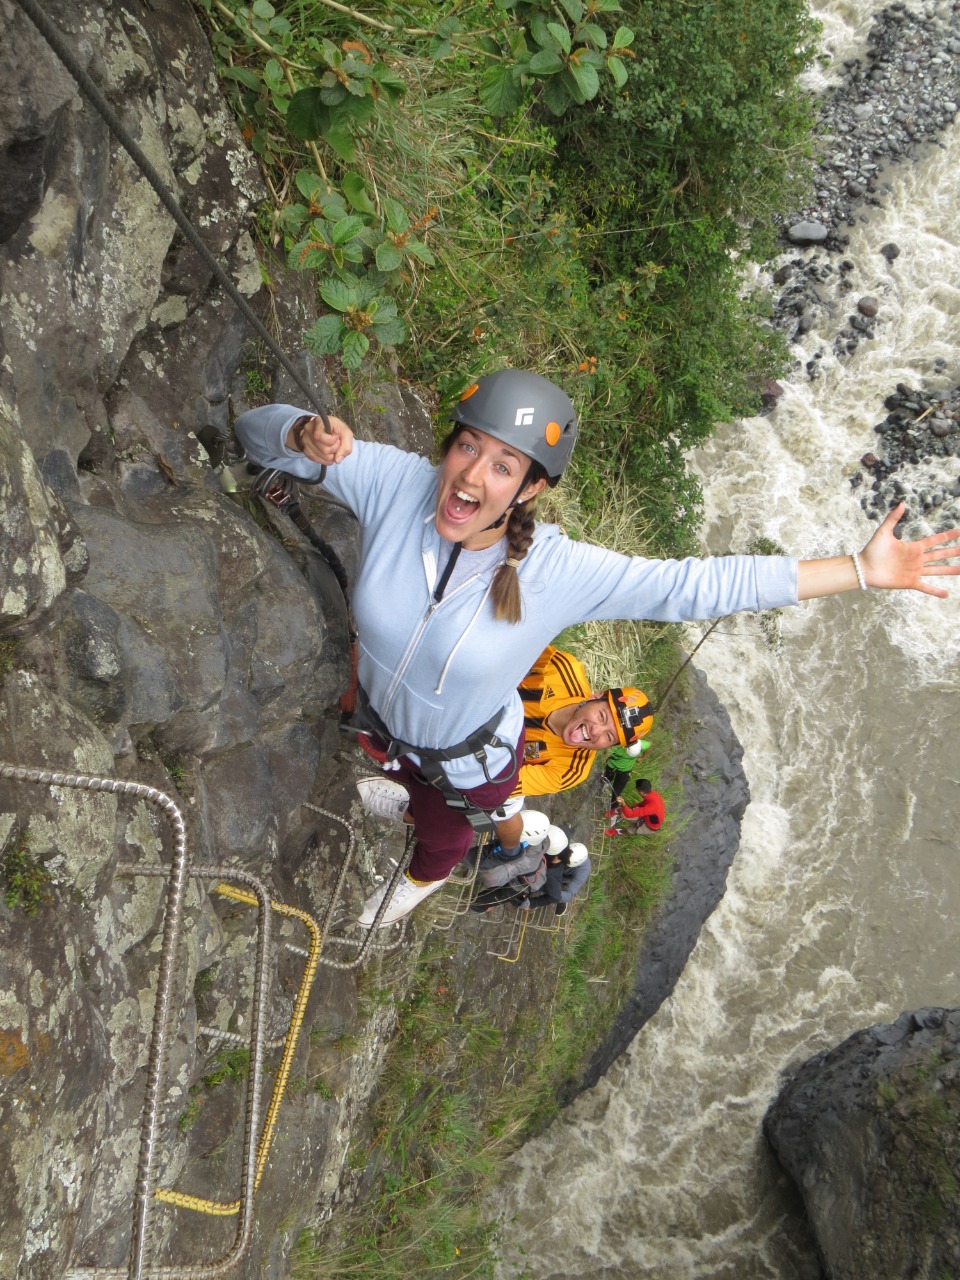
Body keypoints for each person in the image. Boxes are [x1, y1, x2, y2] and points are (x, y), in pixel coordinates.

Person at [234, 369, 960, 928]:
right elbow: (252, 432)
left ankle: (396, 900)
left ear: (531, 489)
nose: (470, 475)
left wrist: (861, 571)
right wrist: (300, 434)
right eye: (467, 447)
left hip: (472, 759)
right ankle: (403, 797)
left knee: (443, 843)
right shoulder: (397, 484)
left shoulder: (559, 572)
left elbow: (696, 586)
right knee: (414, 787)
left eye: (502, 466)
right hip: (385, 727)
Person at [355, 642, 651, 825]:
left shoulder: (569, 770)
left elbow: (497, 784)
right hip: (463, 699)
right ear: (596, 695)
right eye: (602, 715)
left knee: (462, 809)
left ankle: (409, 808)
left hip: (474, 757)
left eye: (609, 737)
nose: (595, 731)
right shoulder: (560, 670)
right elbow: (503, 650)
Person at [468, 814, 563, 913]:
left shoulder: (529, 857)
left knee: (483, 902)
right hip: (520, 881)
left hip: (517, 887)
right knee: (486, 900)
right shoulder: (536, 844)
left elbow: (490, 878)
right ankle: (471, 906)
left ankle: (468, 907)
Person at [526, 839, 591, 915]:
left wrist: (554, 891)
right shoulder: (564, 841)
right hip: (552, 861)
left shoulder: (583, 872)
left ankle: (534, 902)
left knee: (554, 893)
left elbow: (569, 895)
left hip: (562, 877)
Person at [603, 738, 651, 809]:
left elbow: (649, 745)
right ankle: (605, 784)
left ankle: (613, 809)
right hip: (612, 766)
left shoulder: (641, 745)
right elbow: (607, 749)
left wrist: (642, 758)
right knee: (607, 779)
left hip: (625, 771)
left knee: (616, 793)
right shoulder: (618, 746)